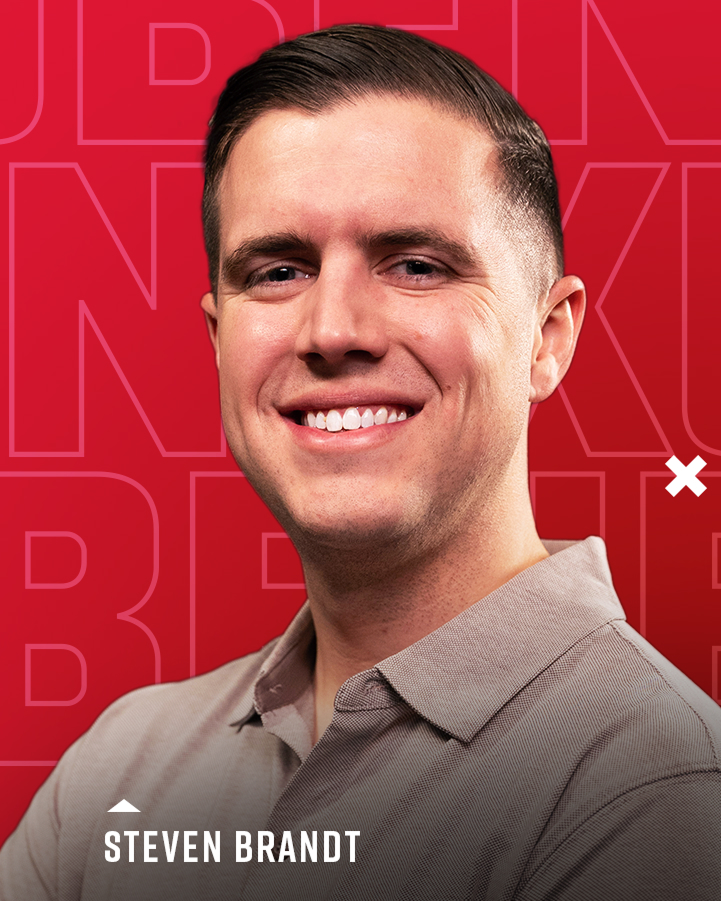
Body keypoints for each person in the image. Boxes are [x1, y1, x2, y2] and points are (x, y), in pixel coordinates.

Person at [2, 23, 720, 901]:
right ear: (220, 338)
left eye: (415, 264)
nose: (332, 329)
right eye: (277, 272)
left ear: (546, 337)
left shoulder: (653, 786)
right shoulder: (119, 767)